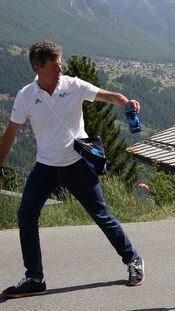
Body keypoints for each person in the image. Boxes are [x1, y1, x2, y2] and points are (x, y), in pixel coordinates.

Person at [0, 41, 144, 299]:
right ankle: (34, 277)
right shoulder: (25, 96)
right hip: (44, 167)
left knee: (101, 216)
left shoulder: (73, 85)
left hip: (76, 165)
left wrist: (126, 103)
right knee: (26, 216)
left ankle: (133, 259)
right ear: (38, 67)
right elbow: (10, 135)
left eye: (60, 64)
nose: (60, 69)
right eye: (55, 66)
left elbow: (111, 97)